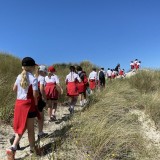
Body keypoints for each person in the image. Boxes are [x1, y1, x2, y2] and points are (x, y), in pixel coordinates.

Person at [6, 57, 40, 160]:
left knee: (21, 127)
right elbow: (35, 95)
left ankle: (13, 148)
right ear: (32, 67)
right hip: (29, 105)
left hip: (19, 104)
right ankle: (32, 149)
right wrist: (37, 103)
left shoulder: (18, 76)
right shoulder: (33, 79)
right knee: (30, 130)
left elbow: (14, 89)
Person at [35, 65, 48, 139]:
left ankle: (16, 136)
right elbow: (42, 89)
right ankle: (40, 133)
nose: (45, 74)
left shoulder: (34, 76)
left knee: (30, 118)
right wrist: (45, 98)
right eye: (45, 72)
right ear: (42, 72)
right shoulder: (42, 78)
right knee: (41, 117)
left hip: (32, 98)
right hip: (39, 98)